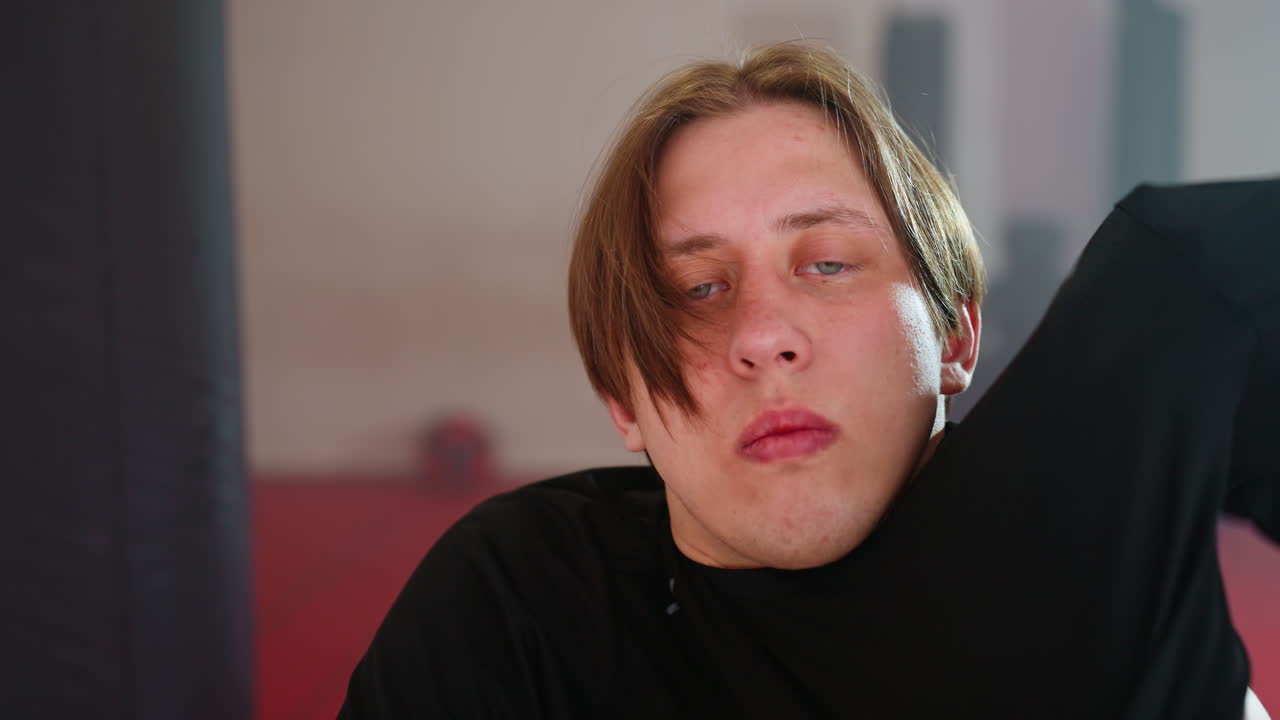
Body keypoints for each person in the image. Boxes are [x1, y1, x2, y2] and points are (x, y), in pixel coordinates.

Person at [339, 42, 1277, 718]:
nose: (762, 337)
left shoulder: (1103, 556)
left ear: (954, 334)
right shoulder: (521, 602)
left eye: (827, 264)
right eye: (699, 289)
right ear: (624, 400)